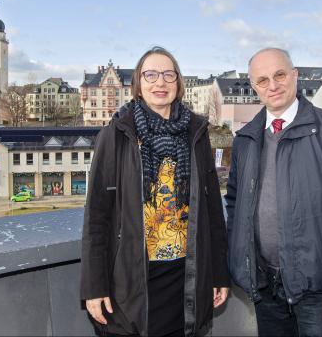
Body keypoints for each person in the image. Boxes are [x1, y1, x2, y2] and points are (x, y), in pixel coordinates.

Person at [81, 46, 231, 336]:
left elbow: (212, 211)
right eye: (151, 74)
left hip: (186, 278)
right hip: (131, 281)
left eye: (168, 75)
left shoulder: (196, 134)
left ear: (179, 83)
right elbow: (97, 216)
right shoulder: (116, 135)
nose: (160, 82)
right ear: (138, 83)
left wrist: (218, 272)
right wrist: (94, 286)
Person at [225, 48, 322, 336]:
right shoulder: (245, 139)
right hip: (266, 286)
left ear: (295, 75)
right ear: (254, 87)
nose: (273, 85)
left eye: (279, 75)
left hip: (317, 290)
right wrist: (240, 266)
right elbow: (234, 205)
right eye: (262, 80)